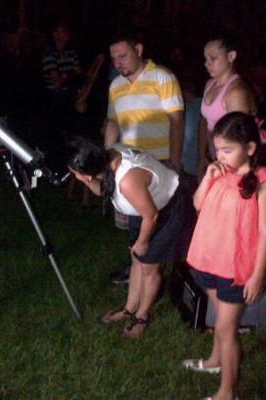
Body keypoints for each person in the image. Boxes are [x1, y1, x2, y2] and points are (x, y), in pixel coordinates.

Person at [184, 112, 266, 400]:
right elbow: (198, 204)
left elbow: (265, 233)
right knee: (217, 317)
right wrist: (209, 176)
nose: (220, 156)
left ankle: (227, 393)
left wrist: (257, 275)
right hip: (209, 258)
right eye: (217, 150)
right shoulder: (220, 172)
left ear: (249, 148)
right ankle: (214, 361)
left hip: (236, 267)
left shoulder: (263, 182)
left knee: (227, 329)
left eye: (227, 150)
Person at [66, 137, 194, 338]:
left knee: (149, 266)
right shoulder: (107, 156)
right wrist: (85, 180)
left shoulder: (127, 179)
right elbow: (103, 189)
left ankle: (142, 315)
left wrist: (143, 243)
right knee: (136, 260)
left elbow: (151, 215)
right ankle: (129, 308)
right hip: (144, 210)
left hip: (167, 209)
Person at [104, 32, 185, 284]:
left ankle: (151, 274)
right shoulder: (115, 86)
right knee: (134, 222)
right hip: (128, 165)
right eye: (114, 58)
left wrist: (173, 159)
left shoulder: (162, 76)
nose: (118, 63)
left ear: (138, 49)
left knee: (154, 223)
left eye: (123, 56)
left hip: (157, 163)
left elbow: (176, 120)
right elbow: (112, 123)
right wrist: (107, 159)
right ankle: (137, 269)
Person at [198, 32, 258, 179]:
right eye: (206, 58)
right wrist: (201, 156)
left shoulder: (236, 92)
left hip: (231, 162)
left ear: (231, 56)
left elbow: (239, 140)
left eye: (213, 58)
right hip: (215, 154)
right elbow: (204, 122)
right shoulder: (210, 84)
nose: (207, 63)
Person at [41, 22, 82, 175]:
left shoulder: (71, 53)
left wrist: (68, 76)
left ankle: (70, 168)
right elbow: (57, 81)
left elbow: (80, 75)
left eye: (63, 31)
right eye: (57, 31)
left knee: (71, 136)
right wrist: (70, 75)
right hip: (54, 99)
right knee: (54, 136)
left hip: (68, 98)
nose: (60, 35)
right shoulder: (49, 54)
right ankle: (53, 170)